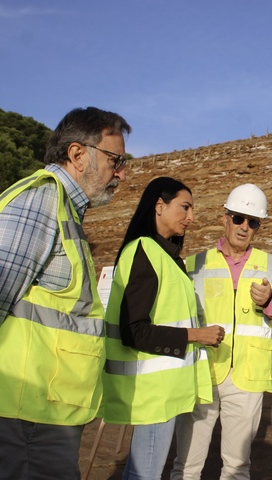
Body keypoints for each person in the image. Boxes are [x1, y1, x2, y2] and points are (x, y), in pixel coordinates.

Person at [0, 107, 131, 479]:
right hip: (22, 411)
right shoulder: (43, 201)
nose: (122, 172)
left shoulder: (64, 210)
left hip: (40, 409)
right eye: (116, 159)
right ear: (78, 155)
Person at [101, 177, 224, 480]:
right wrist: (197, 335)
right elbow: (135, 331)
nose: (191, 217)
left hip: (161, 392)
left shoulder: (166, 257)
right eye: (185, 207)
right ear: (159, 206)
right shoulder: (144, 252)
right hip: (153, 393)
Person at [172, 183, 272, 480]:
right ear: (224, 217)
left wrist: (268, 302)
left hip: (247, 377)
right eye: (238, 218)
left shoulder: (271, 265)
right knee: (186, 465)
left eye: (252, 222)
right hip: (201, 374)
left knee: (237, 467)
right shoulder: (193, 265)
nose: (244, 227)